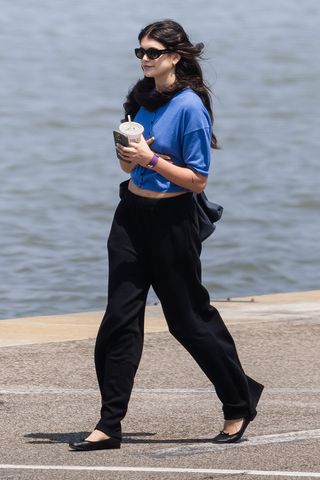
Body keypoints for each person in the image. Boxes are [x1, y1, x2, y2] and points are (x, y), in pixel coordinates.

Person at [69, 19, 264, 451]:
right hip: (130, 217)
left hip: (172, 222)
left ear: (175, 56)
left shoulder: (191, 106)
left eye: (152, 52)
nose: (144, 59)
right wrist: (128, 154)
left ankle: (238, 401)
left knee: (188, 321)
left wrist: (151, 158)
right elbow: (129, 166)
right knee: (119, 321)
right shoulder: (143, 99)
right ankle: (109, 425)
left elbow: (197, 180)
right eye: (140, 52)